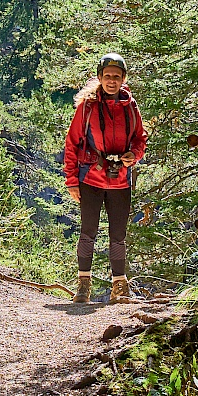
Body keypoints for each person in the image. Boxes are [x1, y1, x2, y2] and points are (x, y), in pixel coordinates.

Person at [63, 53, 148, 303]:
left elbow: (140, 138)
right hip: (90, 177)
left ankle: (119, 286)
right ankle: (83, 286)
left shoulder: (131, 107)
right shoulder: (87, 107)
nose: (112, 81)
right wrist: (71, 180)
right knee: (88, 232)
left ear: (123, 79)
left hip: (121, 178)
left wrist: (135, 154)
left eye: (117, 77)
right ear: (100, 78)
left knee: (118, 235)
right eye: (108, 76)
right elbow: (72, 143)